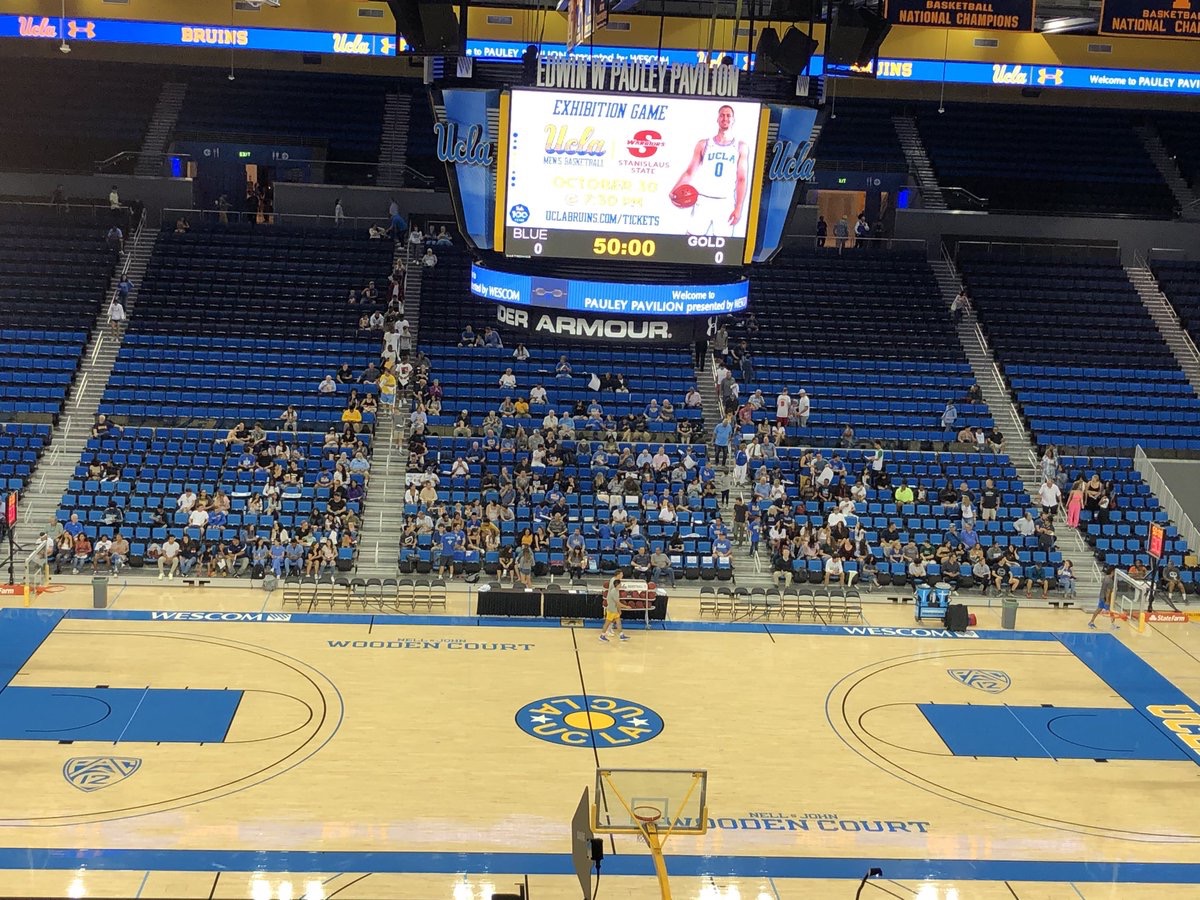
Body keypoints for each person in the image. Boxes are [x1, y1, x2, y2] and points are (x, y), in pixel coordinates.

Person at [671, 104, 749, 237]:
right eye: (722, 115)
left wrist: (738, 207)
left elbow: (741, 179)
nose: (725, 118)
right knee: (690, 241)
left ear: (733, 119)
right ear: (717, 119)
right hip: (703, 200)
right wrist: (675, 189)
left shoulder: (740, 147)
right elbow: (690, 172)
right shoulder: (704, 144)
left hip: (725, 203)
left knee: (723, 247)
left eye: (728, 115)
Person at [599, 572, 630, 642]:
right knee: (607, 623)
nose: (621, 585)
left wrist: (619, 610)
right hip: (611, 610)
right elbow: (618, 603)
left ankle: (621, 635)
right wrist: (626, 607)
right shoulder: (614, 592)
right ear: (617, 585)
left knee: (618, 622)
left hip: (615, 610)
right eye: (620, 584)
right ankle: (602, 635)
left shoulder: (616, 591)